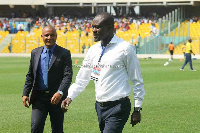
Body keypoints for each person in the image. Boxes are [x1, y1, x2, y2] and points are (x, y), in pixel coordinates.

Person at [61, 12, 145, 133]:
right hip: (99, 107)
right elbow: (82, 79)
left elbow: (137, 79)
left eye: (98, 27)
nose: (94, 30)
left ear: (110, 27)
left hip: (119, 106)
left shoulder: (125, 48)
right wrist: (70, 96)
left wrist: (137, 108)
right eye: (93, 27)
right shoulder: (93, 50)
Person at [22, 25, 73, 133]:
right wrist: (25, 93)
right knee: (35, 128)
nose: (49, 37)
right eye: (46, 35)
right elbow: (30, 74)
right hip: (39, 97)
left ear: (56, 36)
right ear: (42, 36)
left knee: (57, 129)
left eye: (52, 35)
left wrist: (60, 92)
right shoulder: (35, 53)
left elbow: (67, 75)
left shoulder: (64, 53)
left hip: (57, 98)